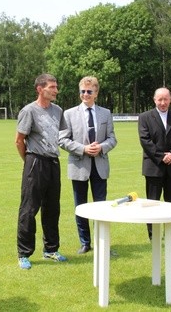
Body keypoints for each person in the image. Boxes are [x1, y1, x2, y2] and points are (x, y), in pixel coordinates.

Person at [15, 73, 68, 270]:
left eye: (56, 87)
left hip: (53, 162)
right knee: (29, 209)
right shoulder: (29, 111)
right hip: (35, 161)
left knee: (53, 208)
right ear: (40, 89)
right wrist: (29, 161)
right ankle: (24, 253)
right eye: (52, 87)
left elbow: (60, 136)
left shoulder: (58, 111)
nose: (56, 90)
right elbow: (19, 140)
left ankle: (51, 249)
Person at [59, 76, 117, 254]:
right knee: (81, 206)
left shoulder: (105, 113)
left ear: (96, 93)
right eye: (82, 91)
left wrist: (101, 147)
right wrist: (83, 149)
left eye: (89, 91)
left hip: (100, 166)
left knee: (101, 207)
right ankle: (85, 242)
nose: (85, 94)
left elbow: (112, 139)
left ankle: (102, 243)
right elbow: (62, 140)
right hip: (79, 167)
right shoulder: (68, 114)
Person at [138, 87, 171, 240]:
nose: (163, 102)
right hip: (153, 167)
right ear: (154, 100)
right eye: (160, 99)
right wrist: (161, 156)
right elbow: (145, 141)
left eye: (166, 99)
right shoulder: (145, 117)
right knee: (152, 203)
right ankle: (153, 234)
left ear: (170, 100)